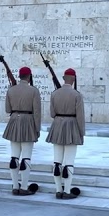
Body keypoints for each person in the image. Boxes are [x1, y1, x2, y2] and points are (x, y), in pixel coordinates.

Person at [45, 68, 85, 200]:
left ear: (63, 78)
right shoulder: (76, 95)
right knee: (69, 161)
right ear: (73, 79)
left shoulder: (54, 94)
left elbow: (52, 114)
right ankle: (67, 191)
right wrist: (81, 132)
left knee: (57, 161)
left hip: (57, 125)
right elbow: (80, 117)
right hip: (72, 125)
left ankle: (58, 190)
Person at [2, 66, 41, 196]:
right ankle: (24, 187)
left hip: (14, 121)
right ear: (29, 76)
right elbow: (37, 112)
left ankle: (14, 186)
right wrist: (37, 128)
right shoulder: (33, 91)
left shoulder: (11, 90)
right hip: (28, 121)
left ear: (19, 76)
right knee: (26, 157)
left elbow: (8, 109)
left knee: (14, 156)